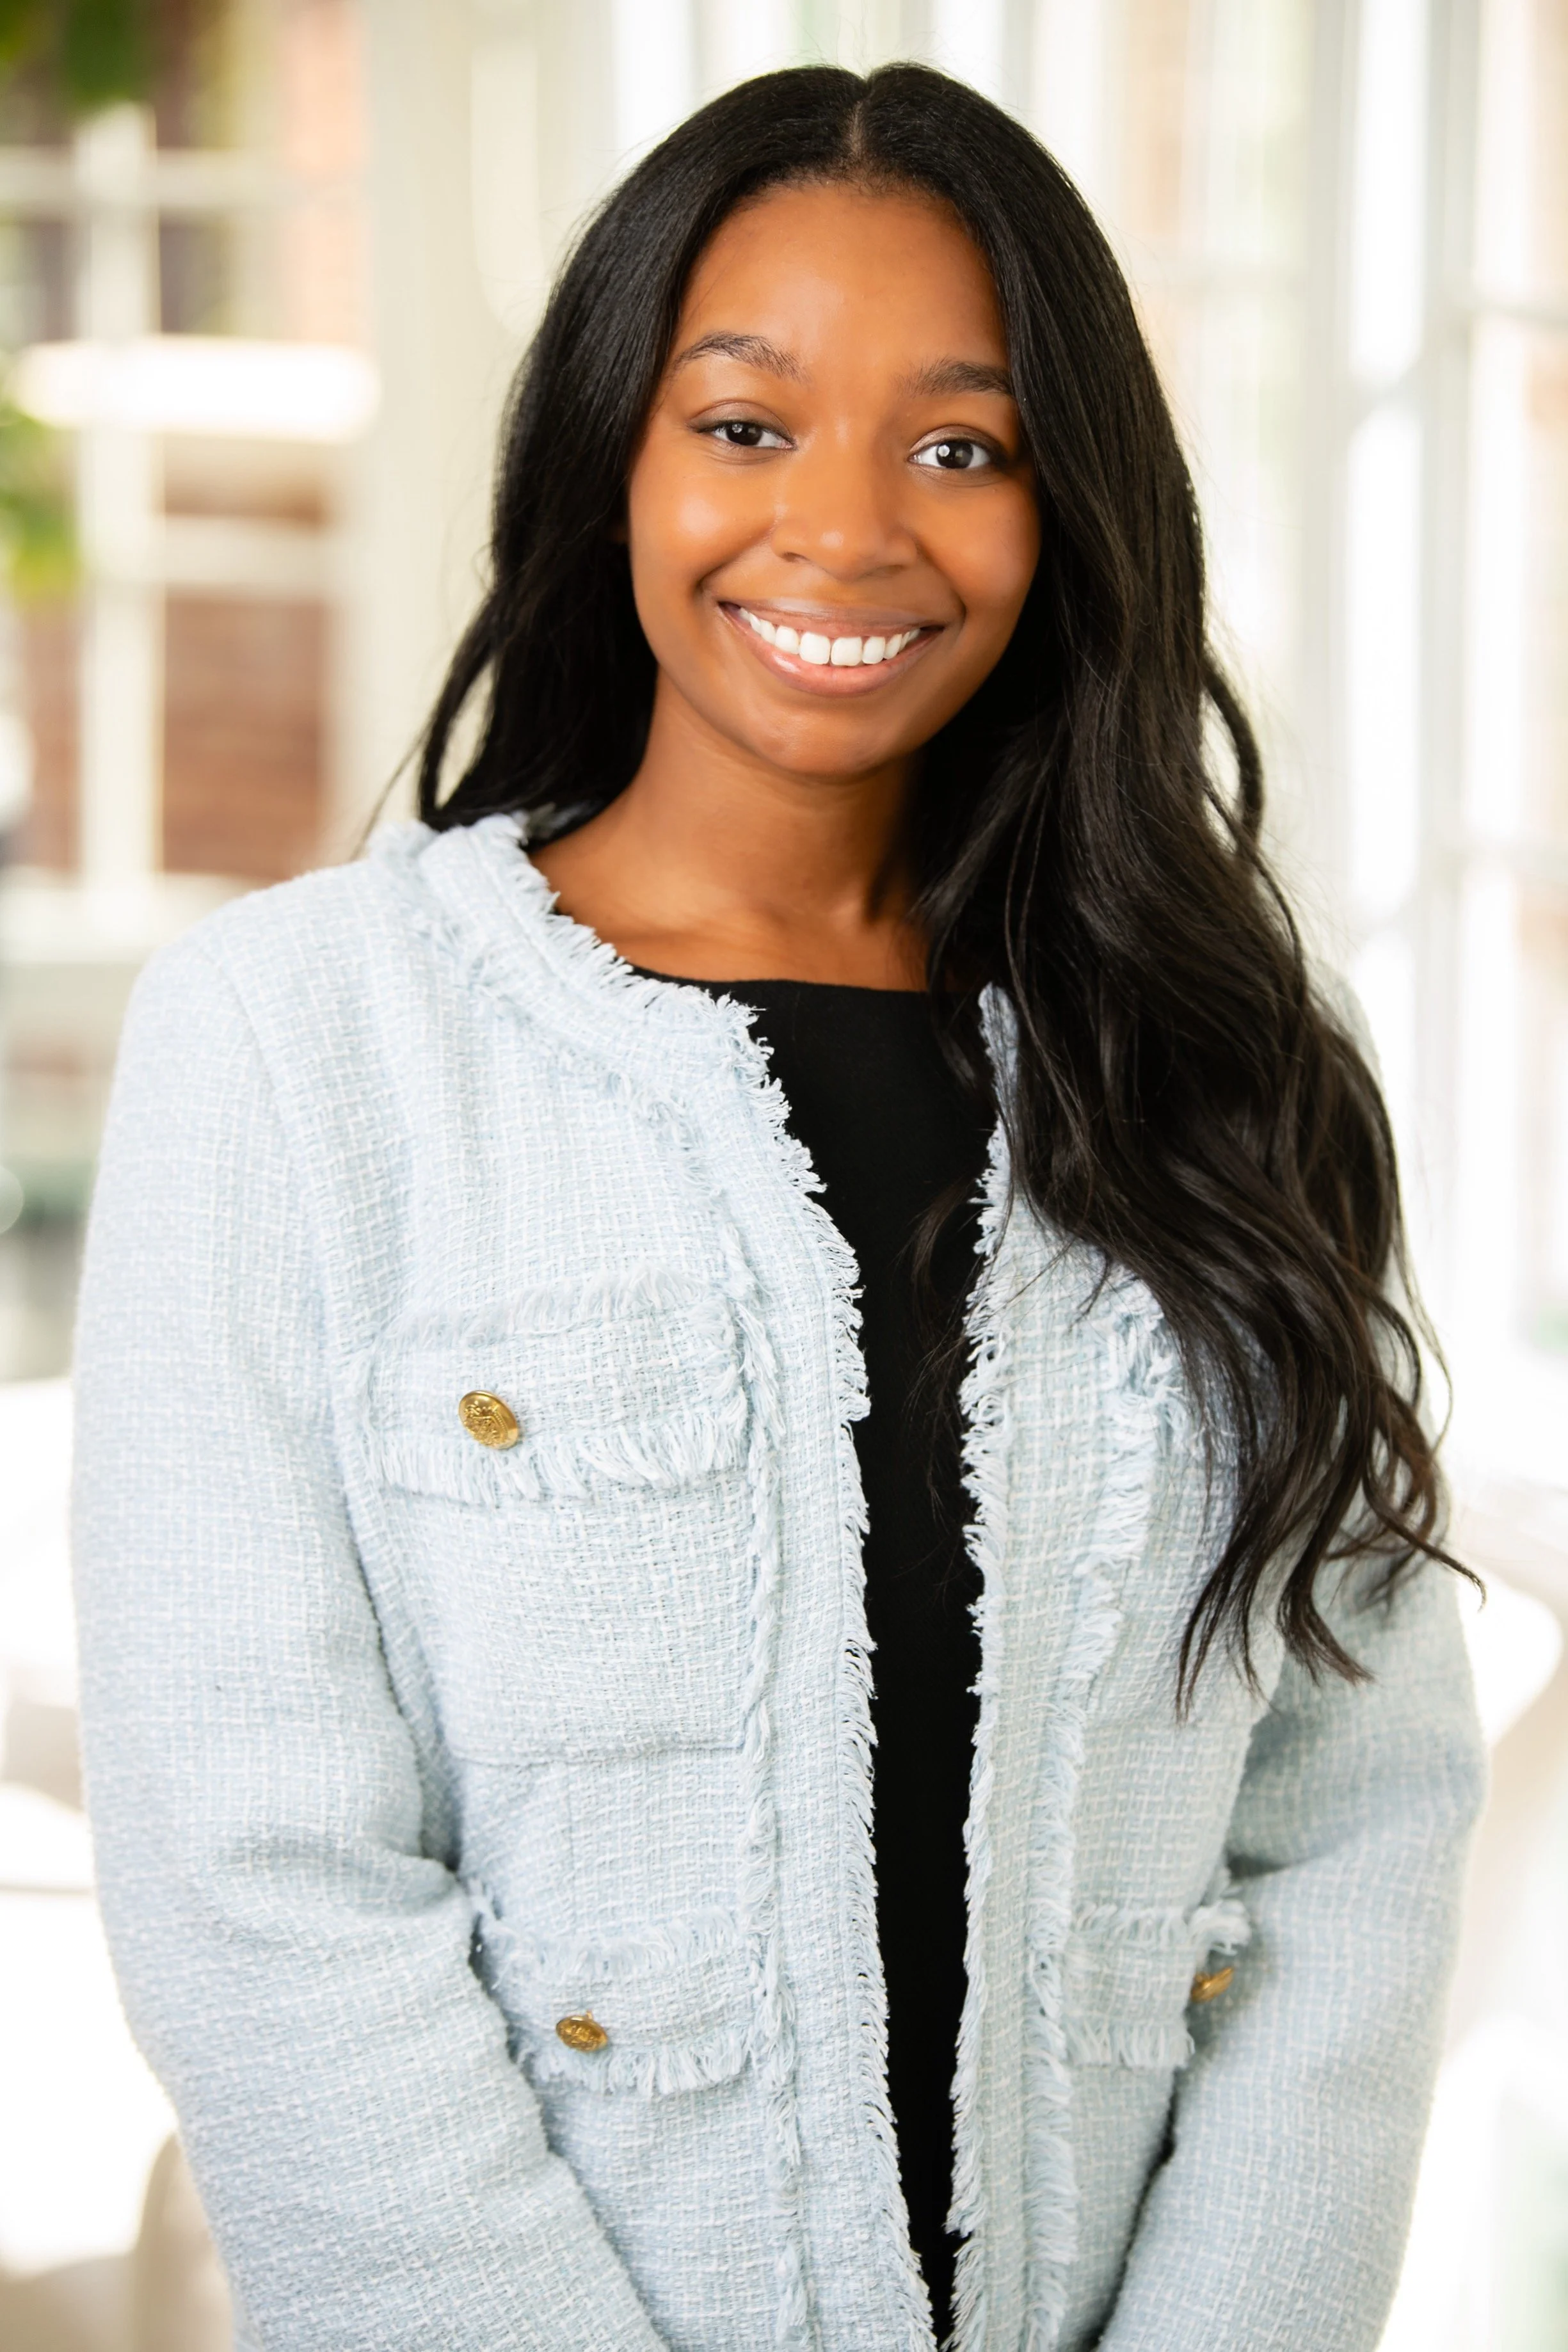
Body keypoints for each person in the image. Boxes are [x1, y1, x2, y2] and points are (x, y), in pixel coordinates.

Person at [72, 62, 1485, 2352]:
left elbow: (1355, 1816)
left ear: (1067, 506)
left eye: (961, 444)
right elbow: (263, 1882)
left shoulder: (1215, 1061)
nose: (846, 530)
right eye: (745, 426)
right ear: (613, 455)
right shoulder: (302, 1046)